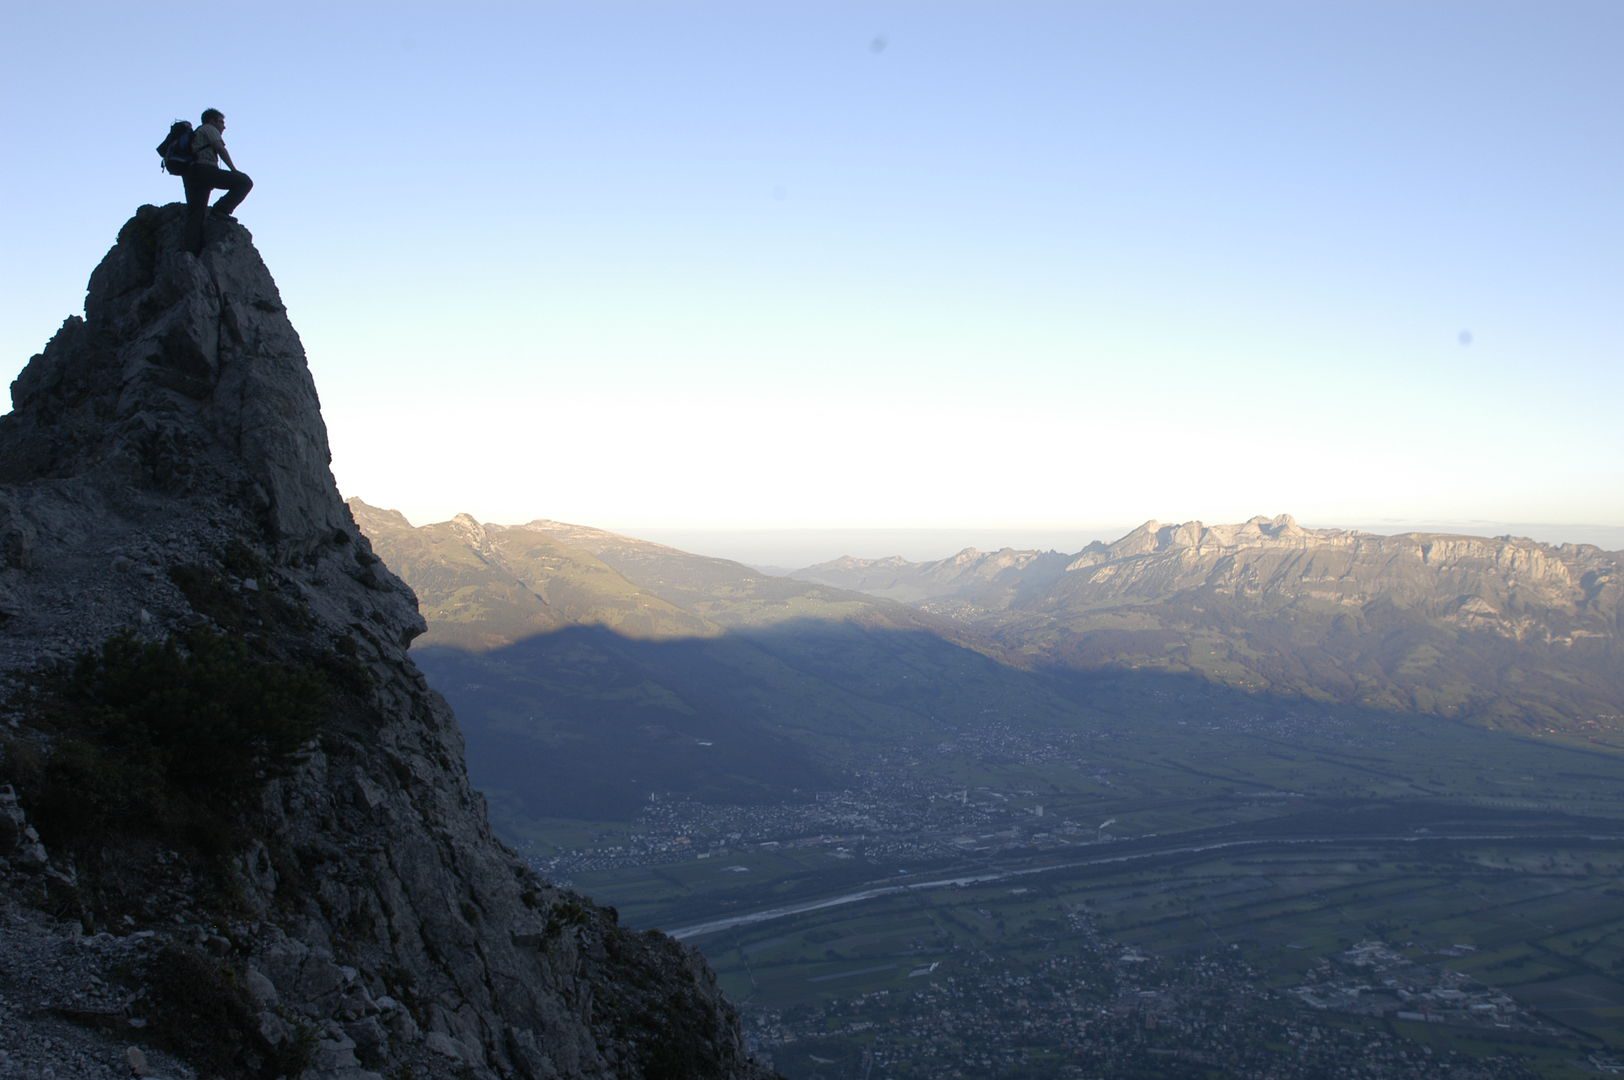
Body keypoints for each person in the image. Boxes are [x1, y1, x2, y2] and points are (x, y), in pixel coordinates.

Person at [183, 108, 253, 255]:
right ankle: (221, 210)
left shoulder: (197, 133)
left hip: (191, 173)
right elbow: (220, 149)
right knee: (244, 182)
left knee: (196, 213)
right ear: (212, 120)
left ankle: (191, 251)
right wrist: (234, 170)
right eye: (221, 122)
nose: (224, 126)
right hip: (205, 169)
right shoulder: (209, 128)